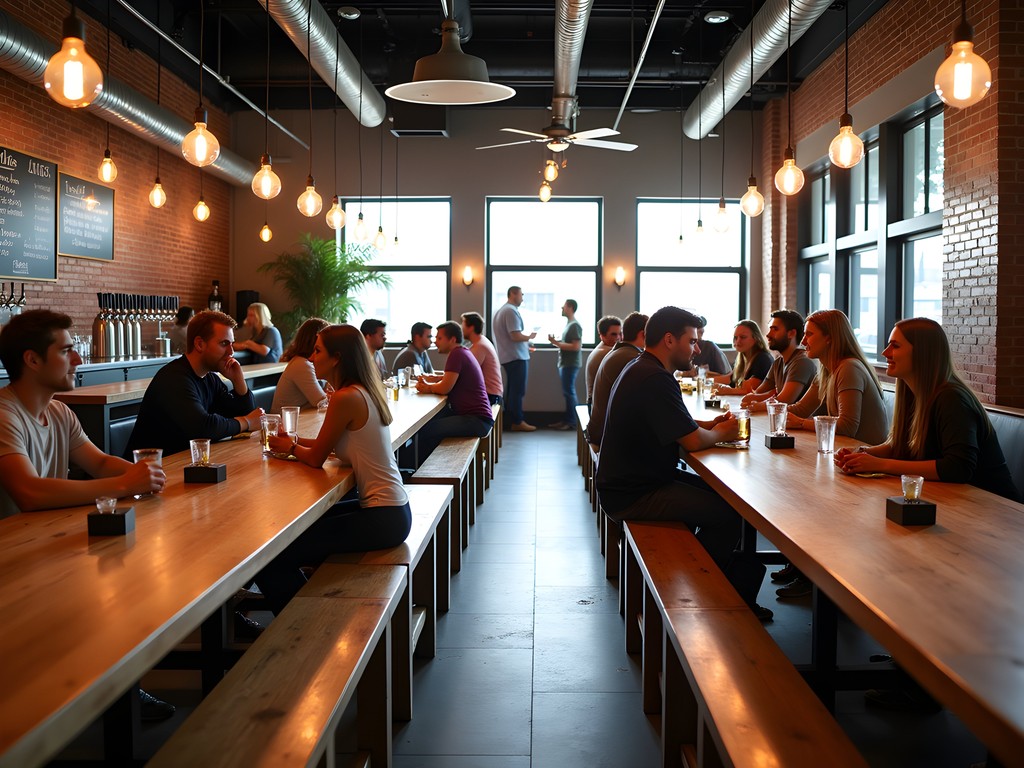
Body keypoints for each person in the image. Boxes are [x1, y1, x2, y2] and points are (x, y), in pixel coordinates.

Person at [0, 310, 175, 721]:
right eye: (66, 350)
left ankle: (117, 690)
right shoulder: (5, 414)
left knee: (130, 580)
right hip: (12, 561)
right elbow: (28, 491)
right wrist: (122, 484)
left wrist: (147, 474)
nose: (78, 359)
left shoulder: (59, 412)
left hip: (45, 546)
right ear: (32, 360)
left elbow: (100, 463)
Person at [595, 306, 769, 621]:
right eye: (692, 341)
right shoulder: (655, 378)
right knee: (729, 514)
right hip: (632, 493)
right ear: (670, 340)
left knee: (727, 499)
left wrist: (710, 422)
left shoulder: (643, 367)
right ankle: (707, 590)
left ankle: (717, 582)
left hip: (633, 481)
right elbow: (692, 441)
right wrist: (721, 432)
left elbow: (680, 422)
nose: (697, 348)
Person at [260, 324, 411, 615]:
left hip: (384, 517)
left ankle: (303, 626)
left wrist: (290, 448)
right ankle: (314, 606)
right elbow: (327, 443)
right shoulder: (360, 391)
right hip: (392, 509)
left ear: (337, 358)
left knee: (273, 558)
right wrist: (289, 441)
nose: (312, 357)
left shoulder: (345, 398)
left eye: (317, 351)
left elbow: (316, 457)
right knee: (302, 531)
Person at [773, 308, 888, 600]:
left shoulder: (848, 368)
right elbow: (798, 410)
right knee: (791, 488)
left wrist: (799, 423)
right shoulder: (826, 368)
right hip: (845, 458)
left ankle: (815, 578)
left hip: (869, 467)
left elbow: (850, 425)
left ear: (830, 338)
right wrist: (761, 409)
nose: (804, 341)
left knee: (802, 495)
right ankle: (801, 566)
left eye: (810, 335)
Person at [835, 317, 1019, 500]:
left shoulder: (952, 398)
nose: (885, 352)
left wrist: (880, 465)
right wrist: (861, 453)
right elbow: (900, 445)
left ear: (923, 353)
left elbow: (958, 468)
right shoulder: (912, 393)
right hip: (949, 499)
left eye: (895, 346)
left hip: (992, 507)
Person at [125, 310, 264, 458]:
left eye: (232, 344)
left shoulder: (210, 378)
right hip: (147, 471)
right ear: (199, 344)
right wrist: (247, 422)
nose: (231, 352)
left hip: (182, 465)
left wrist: (238, 380)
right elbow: (203, 428)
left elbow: (242, 414)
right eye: (224, 343)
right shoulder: (174, 378)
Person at [415, 322, 494, 459]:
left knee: (426, 430)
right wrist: (433, 379)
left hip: (476, 420)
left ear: (452, 339)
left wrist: (427, 387)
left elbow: (445, 387)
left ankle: (423, 473)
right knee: (433, 423)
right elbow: (451, 377)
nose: (436, 341)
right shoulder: (463, 352)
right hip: (479, 418)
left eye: (439, 338)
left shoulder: (456, 354)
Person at [586, 311, 647, 448]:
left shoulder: (617, 351)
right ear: (643, 334)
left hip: (599, 421)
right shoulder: (630, 357)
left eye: (619, 334)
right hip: (604, 430)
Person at [739, 309, 818, 410]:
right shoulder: (778, 362)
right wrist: (755, 397)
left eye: (775, 329)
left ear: (791, 333)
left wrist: (757, 403)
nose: (768, 335)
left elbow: (783, 401)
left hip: (800, 422)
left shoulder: (802, 362)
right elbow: (759, 392)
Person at [492, 286, 537, 432]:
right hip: (516, 357)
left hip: (509, 355)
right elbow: (515, 335)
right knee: (517, 391)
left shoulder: (502, 310)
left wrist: (526, 344)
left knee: (512, 391)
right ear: (512, 294)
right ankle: (517, 421)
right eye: (521, 294)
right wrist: (529, 337)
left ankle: (510, 421)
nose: (522, 298)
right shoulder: (510, 311)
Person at [272, 317, 330, 413]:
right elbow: (321, 402)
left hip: (302, 419)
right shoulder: (301, 364)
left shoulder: (310, 363)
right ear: (316, 340)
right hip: (285, 424)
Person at [711, 319, 773, 395]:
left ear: (756, 338)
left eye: (743, 337)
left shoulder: (763, 359)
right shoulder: (742, 358)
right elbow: (729, 379)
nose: (738, 341)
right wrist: (702, 381)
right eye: (735, 338)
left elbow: (750, 391)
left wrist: (724, 390)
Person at [548, 299, 583, 430]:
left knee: (569, 392)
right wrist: (557, 342)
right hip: (566, 363)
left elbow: (575, 346)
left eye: (564, 306)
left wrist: (555, 343)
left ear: (570, 307)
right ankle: (568, 420)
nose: (562, 308)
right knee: (567, 392)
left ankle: (572, 422)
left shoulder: (574, 325)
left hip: (570, 364)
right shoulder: (570, 324)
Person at [462, 311, 503, 405]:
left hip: (490, 395)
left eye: (463, 325)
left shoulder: (479, 347)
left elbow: (465, 374)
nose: (461, 328)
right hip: (493, 393)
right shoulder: (482, 341)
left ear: (471, 328)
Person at [586, 315, 621, 408]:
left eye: (620, 333)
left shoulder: (602, 348)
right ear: (602, 335)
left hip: (595, 403)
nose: (618, 337)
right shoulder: (606, 353)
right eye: (614, 334)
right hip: (596, 407)